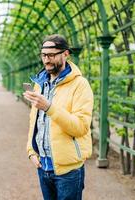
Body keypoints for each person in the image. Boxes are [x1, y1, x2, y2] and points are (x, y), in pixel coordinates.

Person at [23, 34, 94, 200]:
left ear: (66, 54)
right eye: (43, 55)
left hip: (68, 170)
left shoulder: (80, 85)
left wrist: (49, 107)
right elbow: (34, 120)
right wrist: (31, 151)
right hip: (43, 166)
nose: (47, 60)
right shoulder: (40, 83)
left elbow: (80, 127)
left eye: (51, 55)